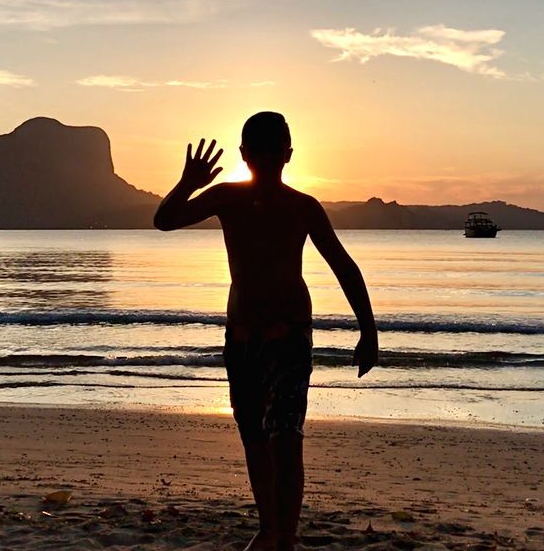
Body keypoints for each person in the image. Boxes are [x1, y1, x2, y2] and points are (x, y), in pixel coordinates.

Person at [154, 111, 378, 551]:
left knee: (284, 437)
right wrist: (188, 183)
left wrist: (368, 332)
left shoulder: (302, 207)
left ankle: (284, 535)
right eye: (267, 150)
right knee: (256, 436)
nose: (269, 157)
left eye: (269, 150)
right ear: (282, 154)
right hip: (242, 336)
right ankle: (271, 527)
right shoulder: (227, 198)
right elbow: (164, 220)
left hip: (287, 334)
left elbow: (344, 267)